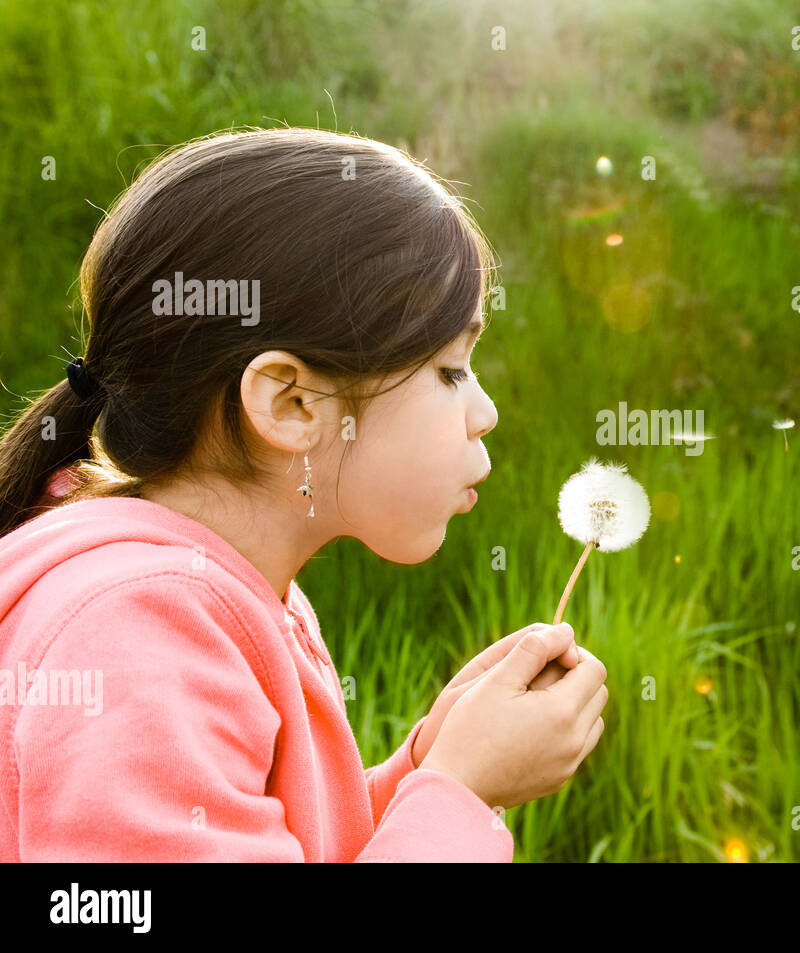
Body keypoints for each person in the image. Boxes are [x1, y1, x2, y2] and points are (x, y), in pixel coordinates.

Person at [0, 127, 607, 861]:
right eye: (450, 371)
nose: (487, 412)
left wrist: (428, 766)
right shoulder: (139, 636)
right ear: (291, 404)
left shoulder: (218, 594)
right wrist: (460, 792)